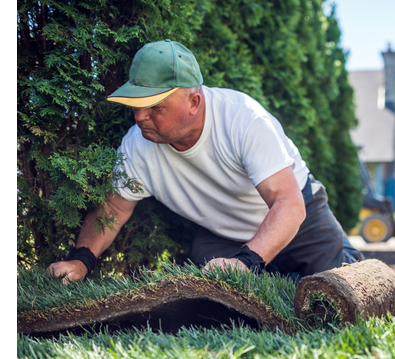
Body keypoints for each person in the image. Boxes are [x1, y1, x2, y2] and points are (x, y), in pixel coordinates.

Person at [48, 39, 362, 284]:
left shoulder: (244, 119)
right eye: (136, 104)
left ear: (194, 102)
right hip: (225, 234)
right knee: (212, 299)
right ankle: (277, 274)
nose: (140, 116)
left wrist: (247, 262)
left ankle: (340, 255)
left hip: (298, 218)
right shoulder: (136, 145)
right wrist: (81, 260)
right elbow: (113, 209)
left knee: (338, 287)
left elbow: (289, 203)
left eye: (154, 106)